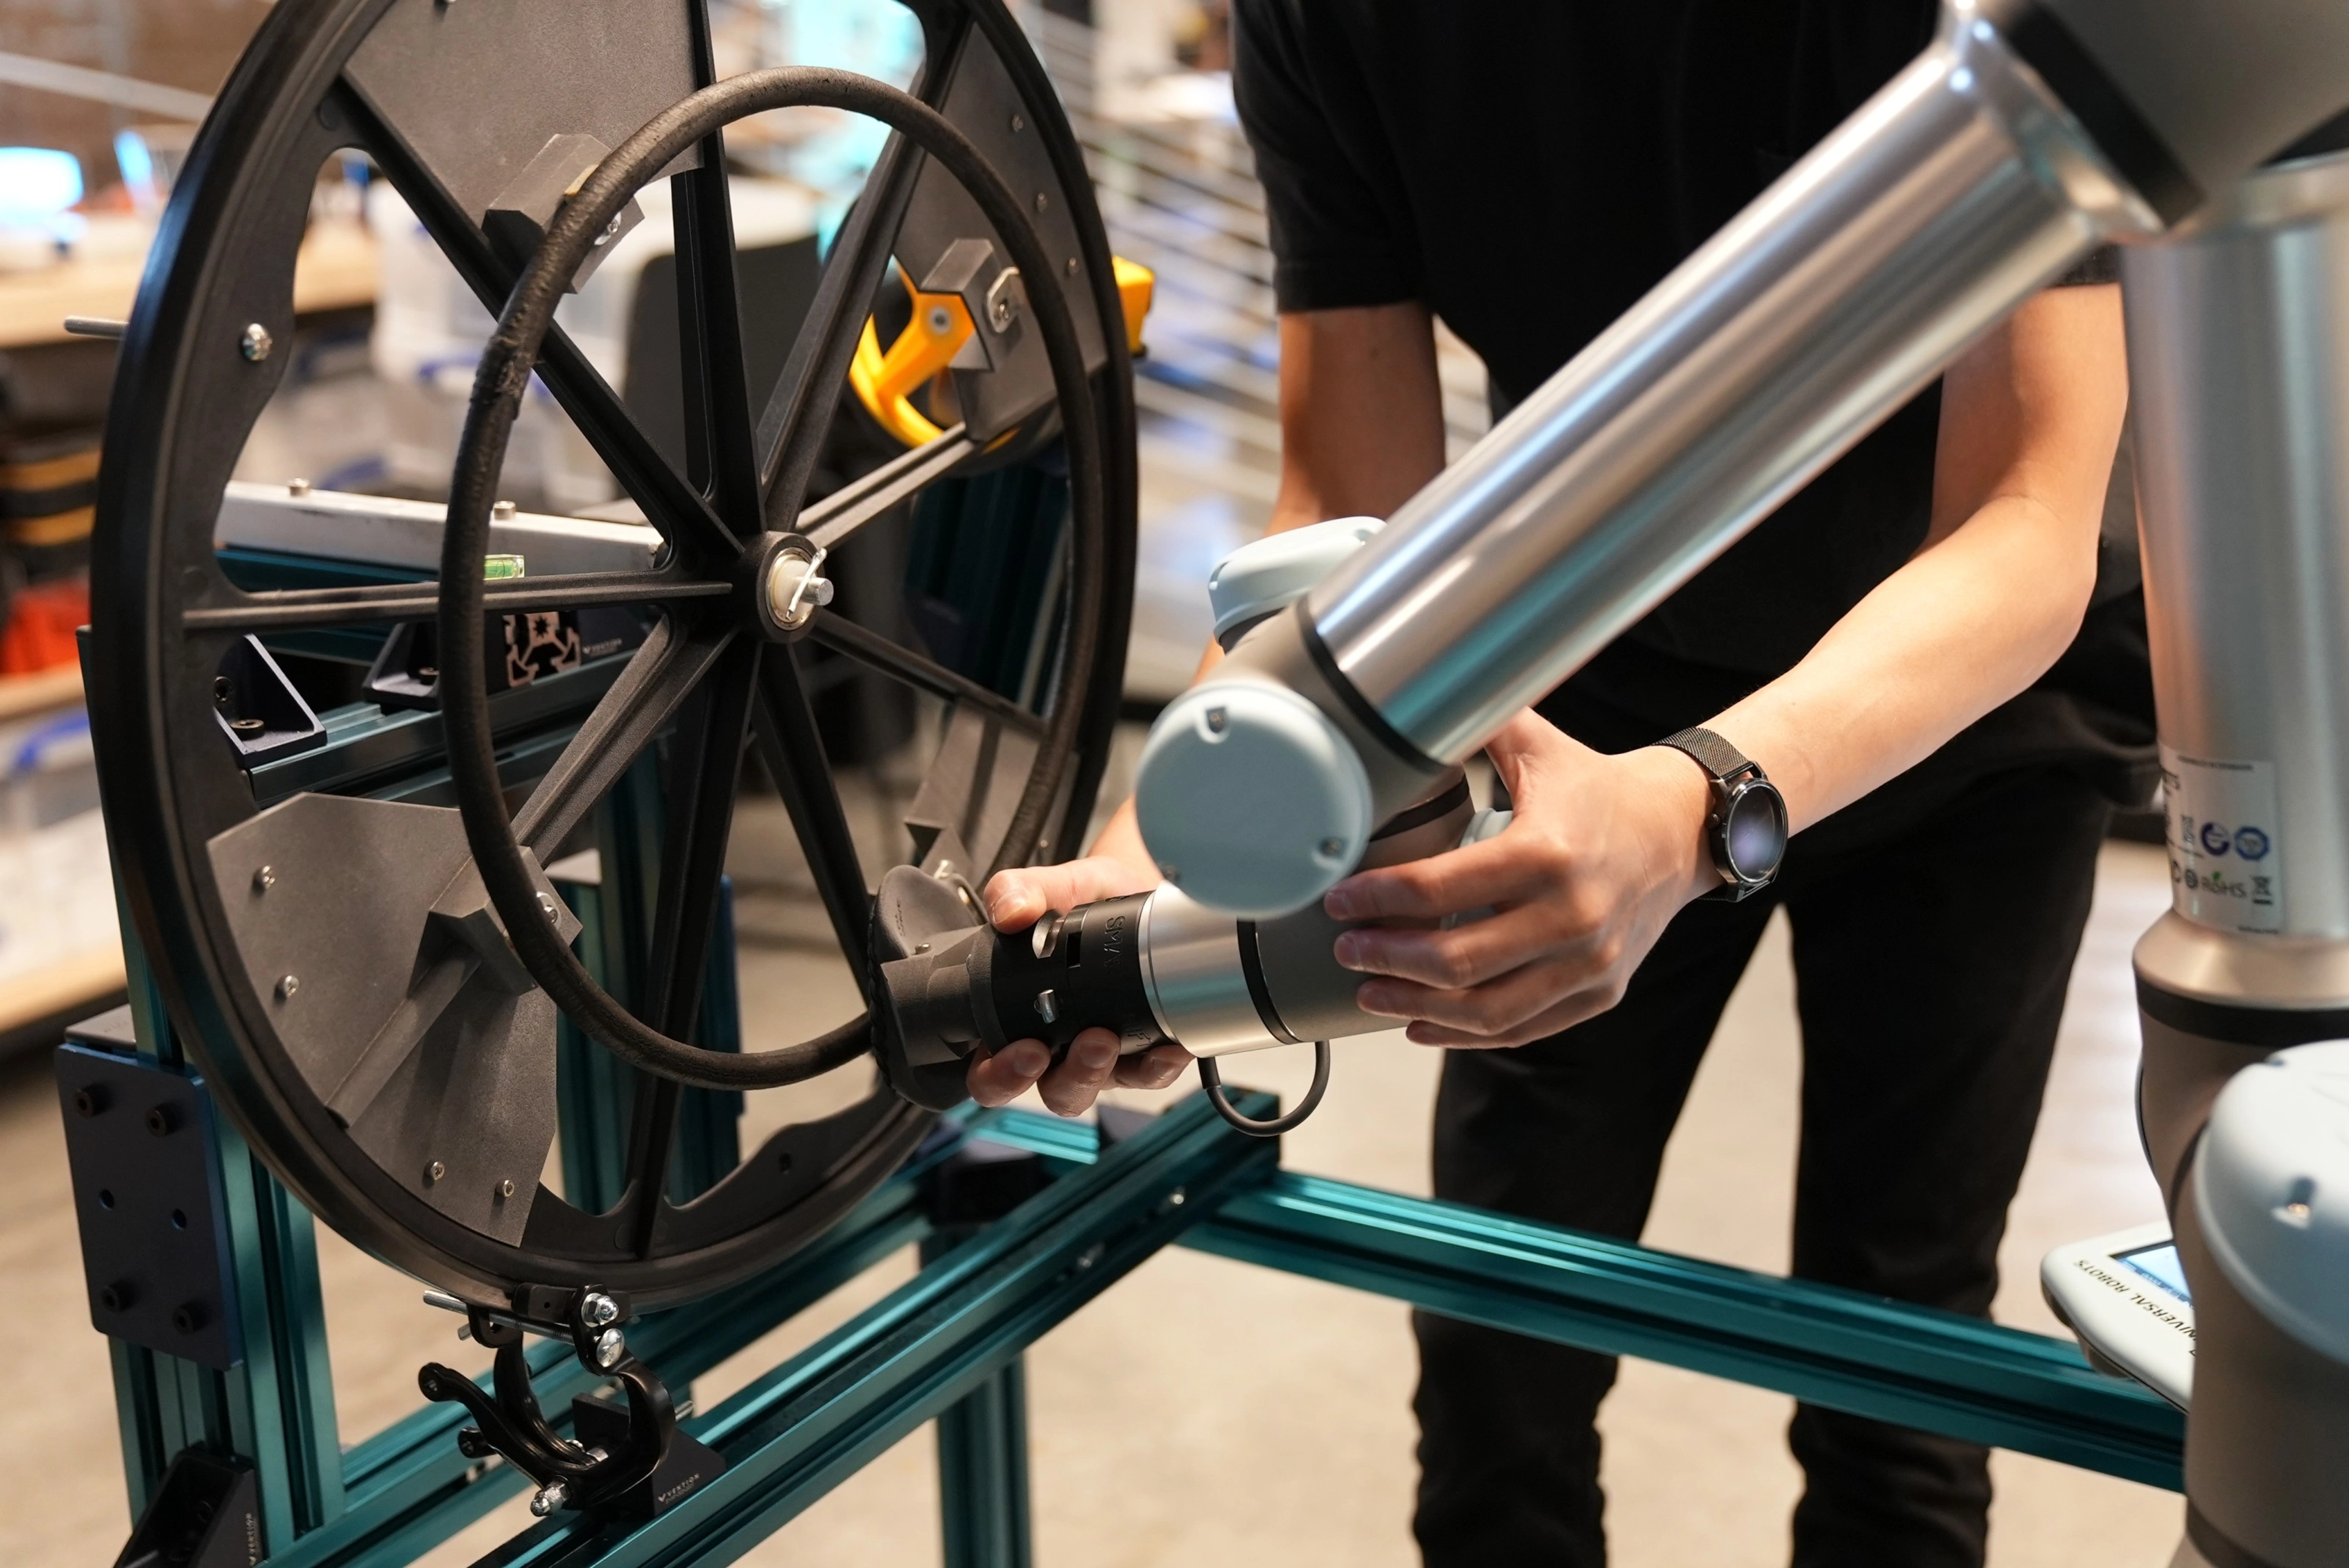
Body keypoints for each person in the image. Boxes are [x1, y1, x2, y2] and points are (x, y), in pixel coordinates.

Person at [959, 4, 2156, 1564]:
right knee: (1497, 1331)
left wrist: (1697, 806)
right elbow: (1348, 501)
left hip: (1975, 720)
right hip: (1586, 692)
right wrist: (1166, 846)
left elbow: (2022, 510)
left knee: (1898, 1345)